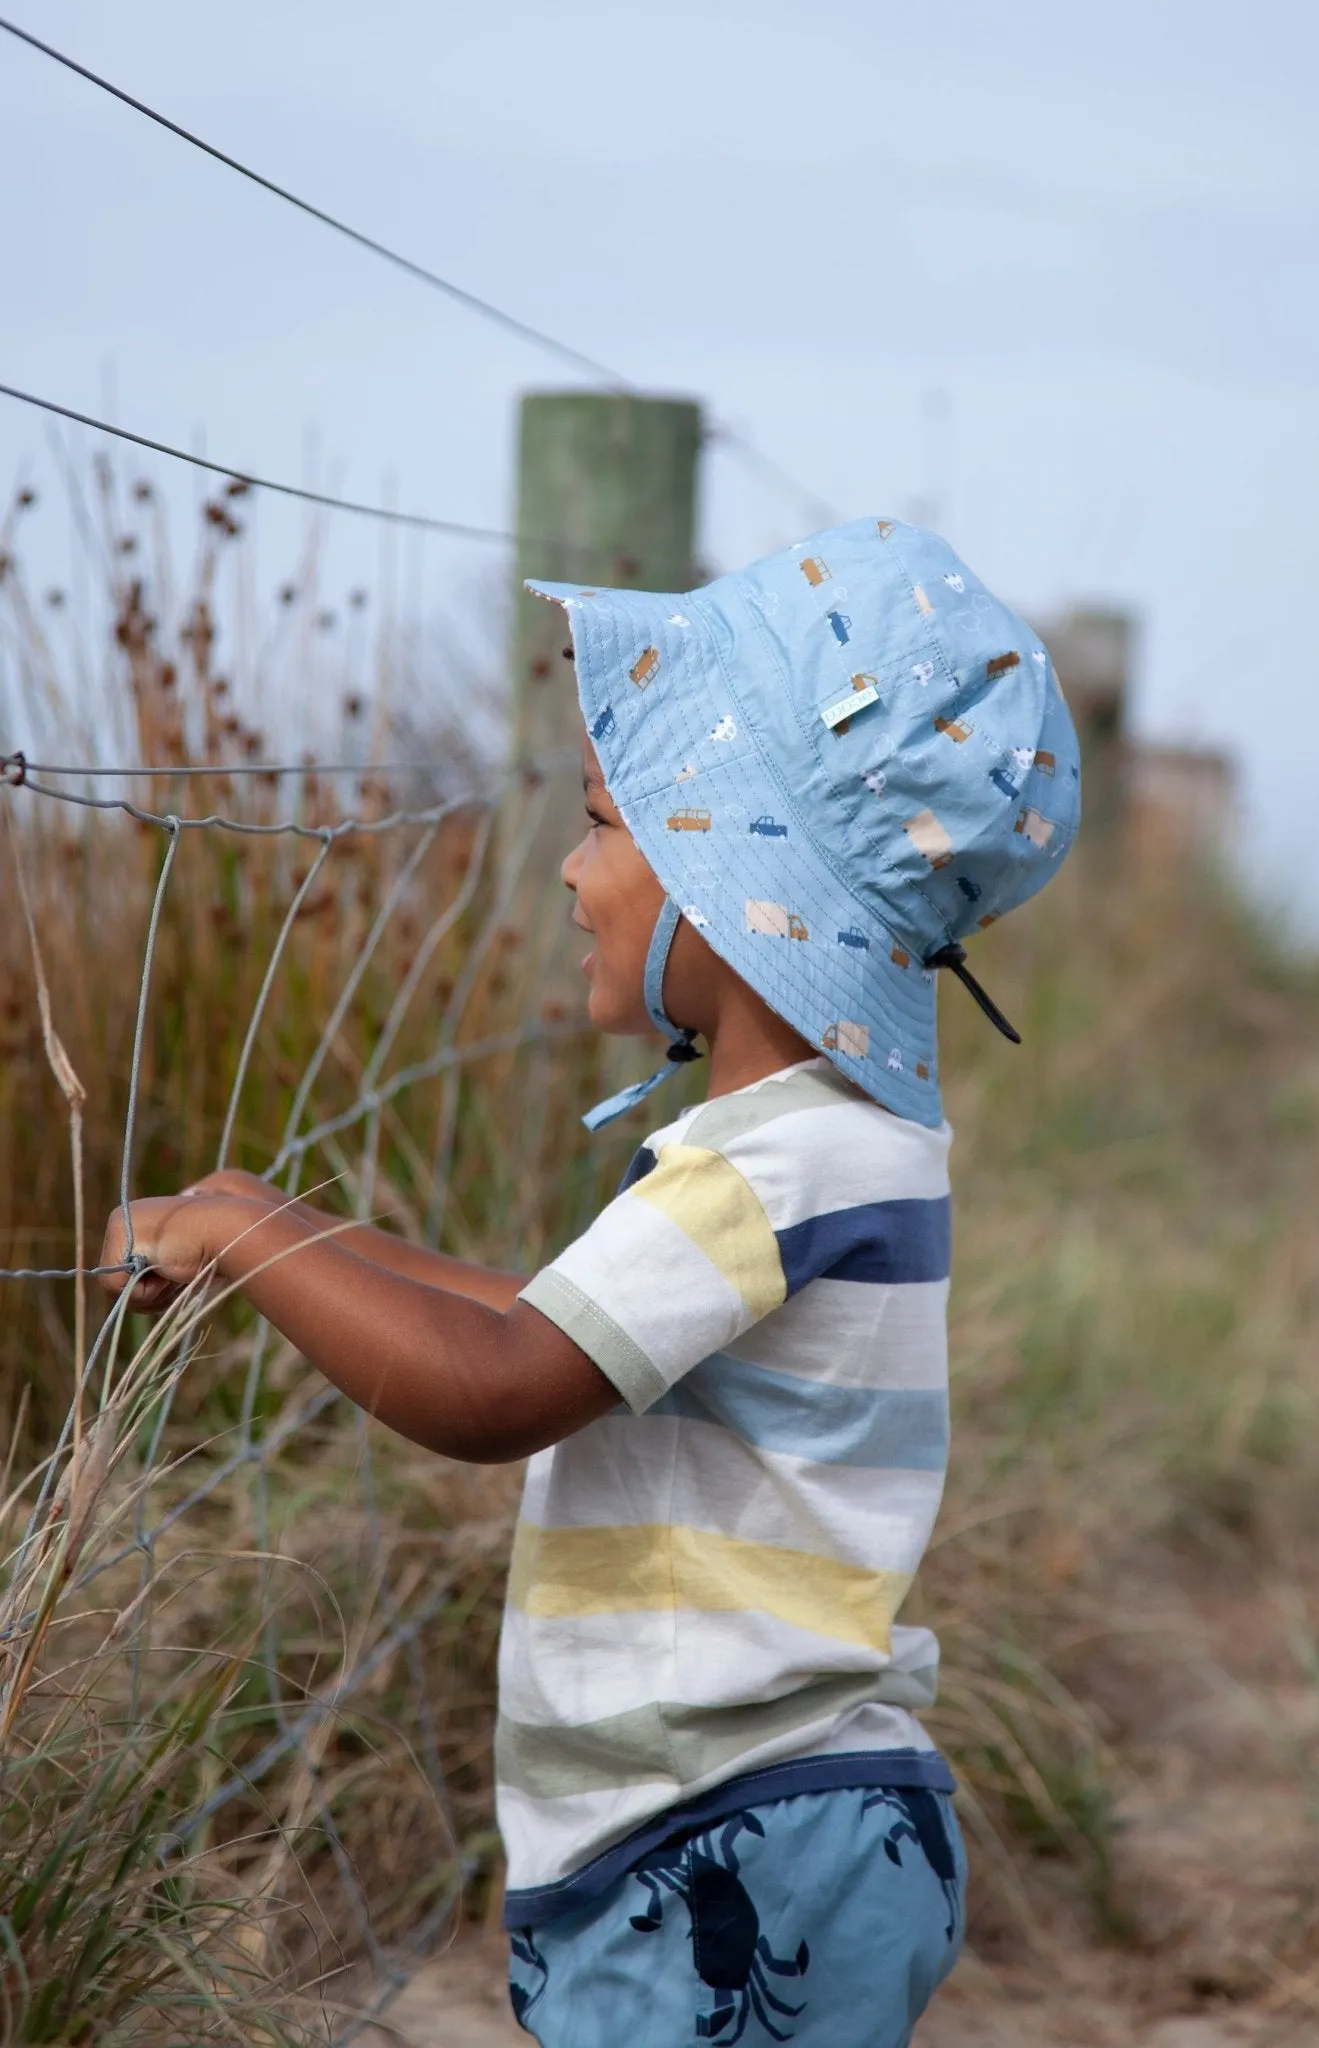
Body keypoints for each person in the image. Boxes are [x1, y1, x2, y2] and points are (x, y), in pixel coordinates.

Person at [102, 517, 1081, 2046]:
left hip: (720, 1838)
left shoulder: (773, 1169)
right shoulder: (817, 1145)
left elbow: (498, 1389)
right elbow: (544, 1319)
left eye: (607, 825)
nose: (569, 871)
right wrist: (278, 1215)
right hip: (773, 1820)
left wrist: (247, 1247)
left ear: (729, 872)